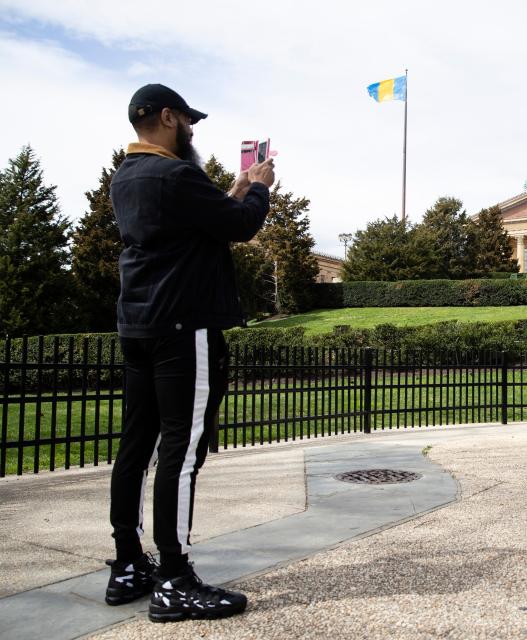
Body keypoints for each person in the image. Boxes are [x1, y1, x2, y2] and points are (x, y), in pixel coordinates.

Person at [104, 83, 275, 622]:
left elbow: (197, 224)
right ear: (169, 117)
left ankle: (128, 563)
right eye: (189, 121)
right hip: (184, 327)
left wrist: (234, 187)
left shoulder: (126, 178)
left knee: (136, 445)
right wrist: (260, 188)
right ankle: (175, 578)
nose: (193, 129)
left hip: (139, 324)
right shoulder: (176, 174)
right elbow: (241, 226)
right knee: (182, 448)